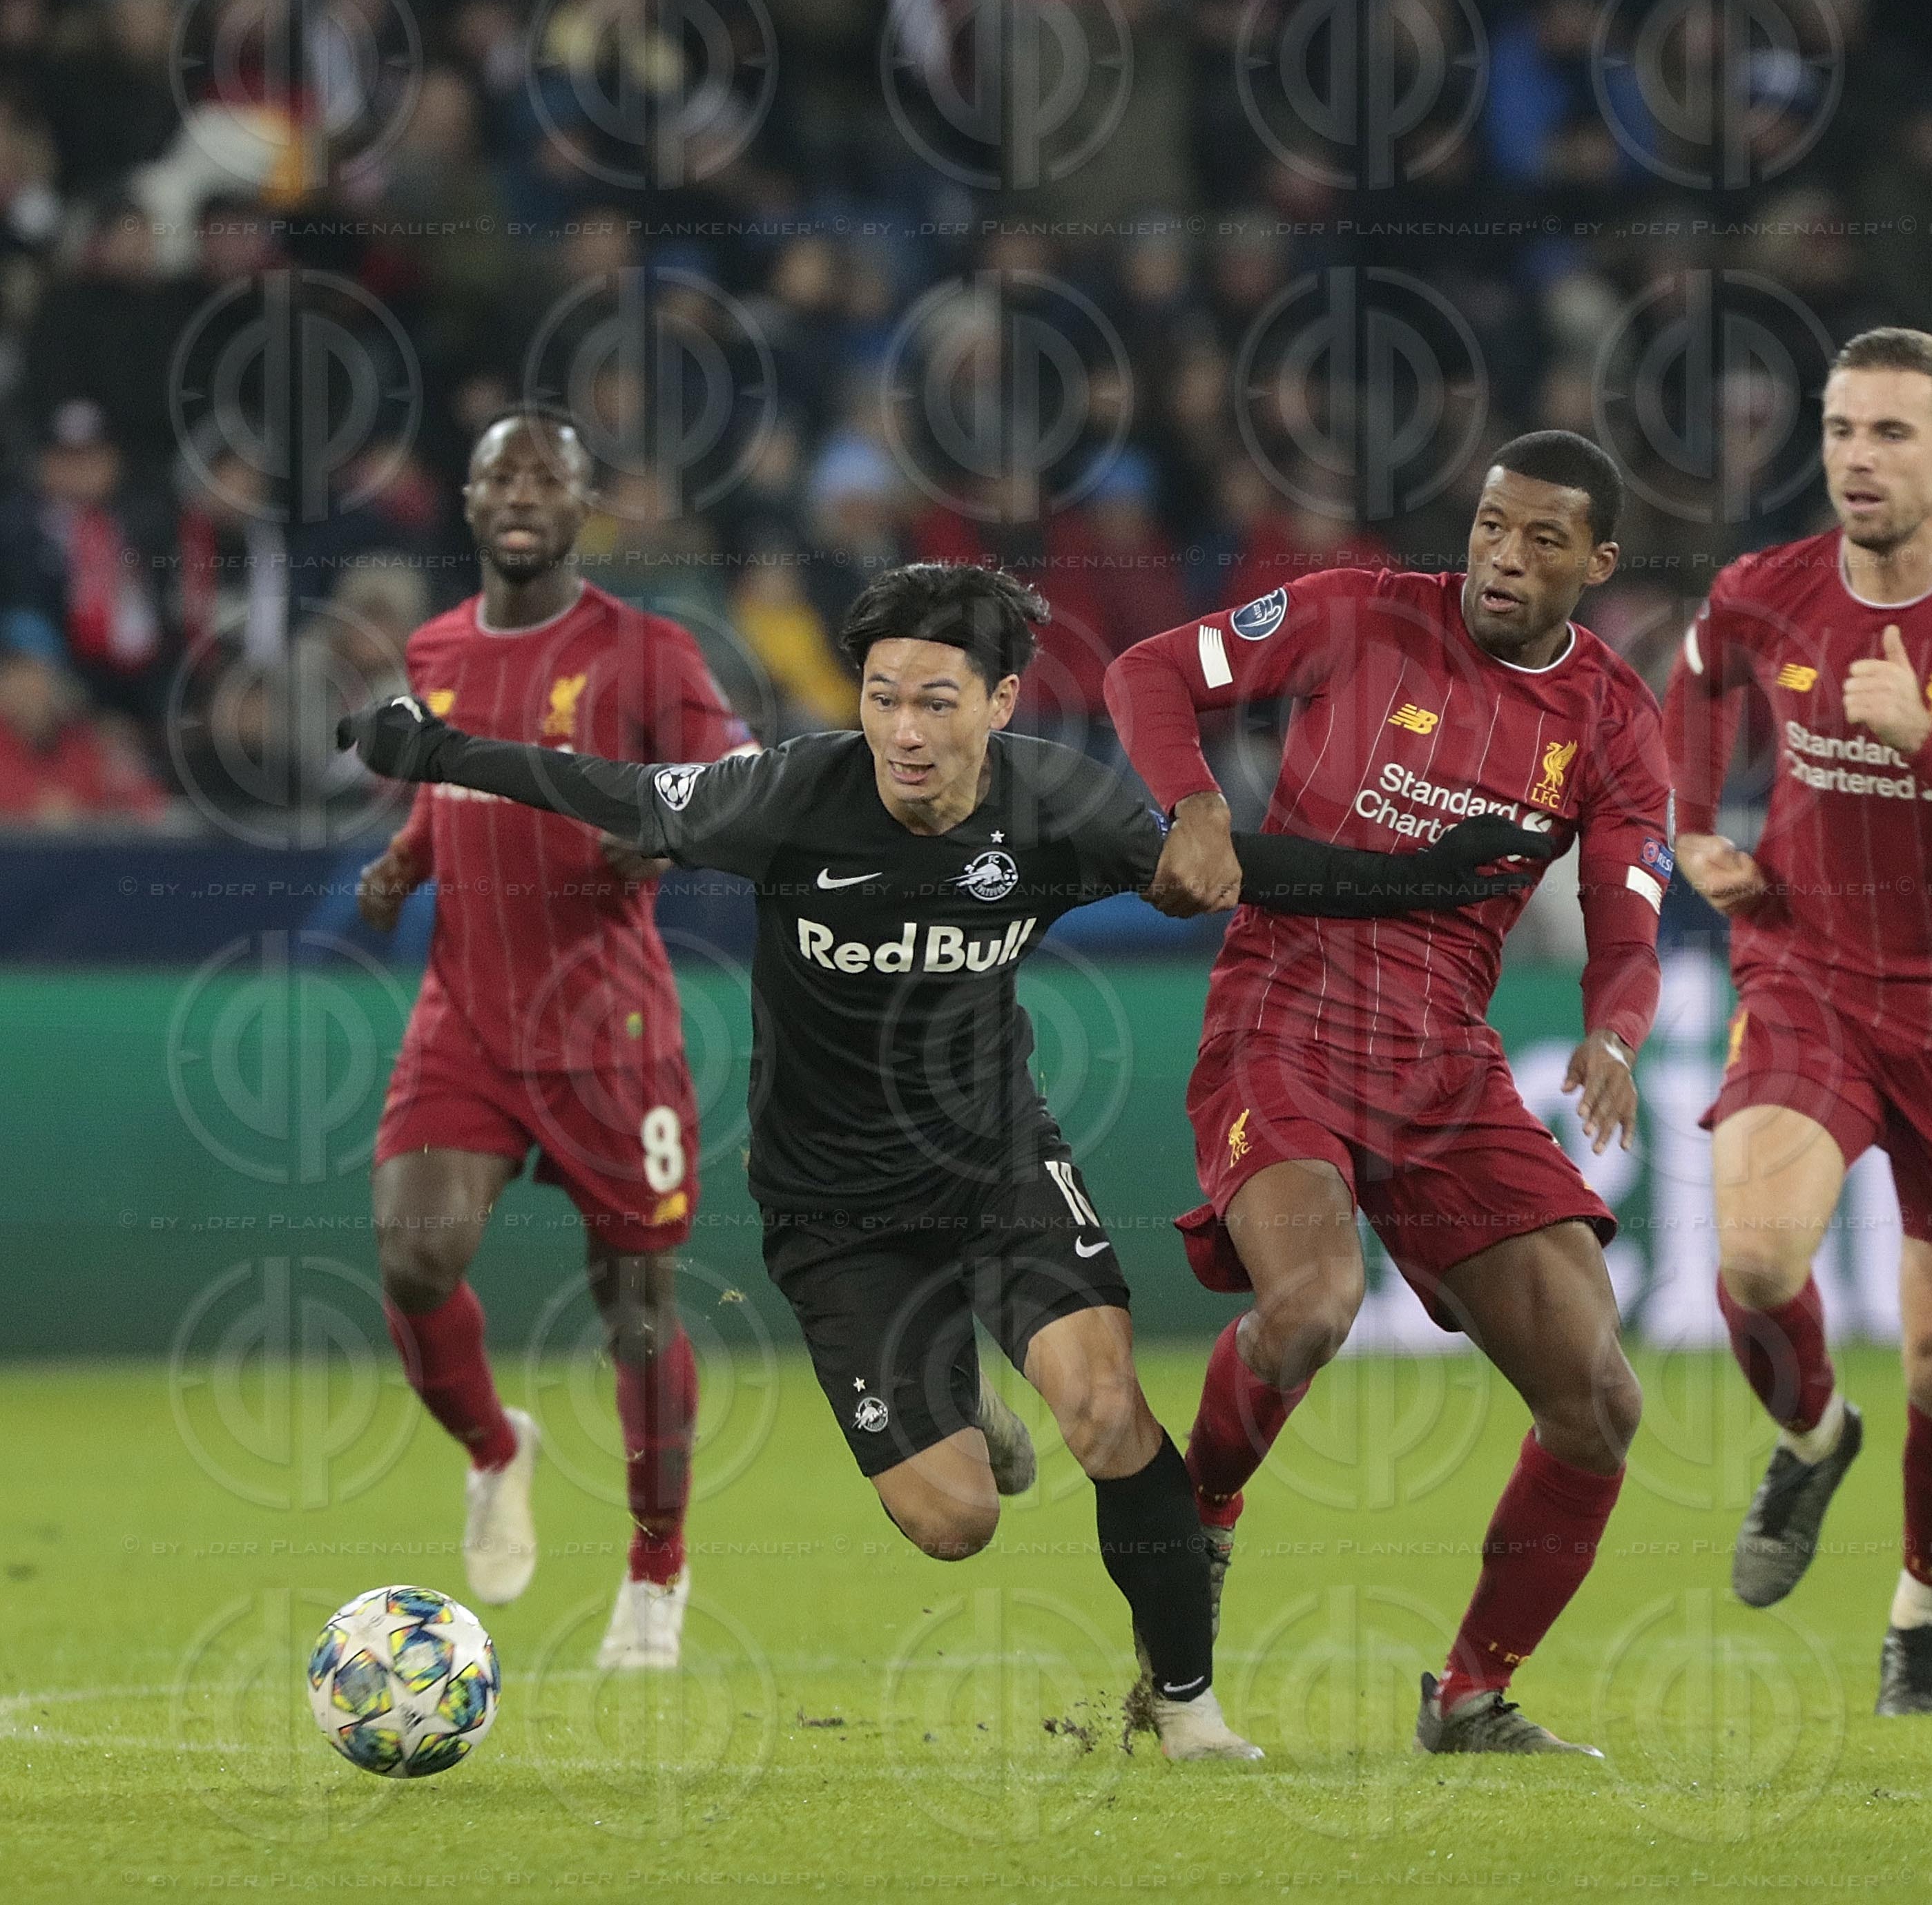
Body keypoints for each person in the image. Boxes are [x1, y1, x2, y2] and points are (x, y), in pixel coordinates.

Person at [338, 559, 1535, 1761]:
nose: (903, 732)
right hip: (833, 1212)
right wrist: (432, 752)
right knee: (956, 1521)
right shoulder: (786, 794)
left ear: (1001, 702)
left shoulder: (1059, 804)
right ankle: (959, 1397)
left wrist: (1424, 876)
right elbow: (606, 785)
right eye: (882, 698)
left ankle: (1185, 1707)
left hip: (994, 1164)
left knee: (1105, 1410)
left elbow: (1241, 869)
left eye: (936, 702)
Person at [1102, 429, 1672, 1754]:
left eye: (1541, 541)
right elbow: (1146, 672)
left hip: (1443, 1060)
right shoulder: (1358, 611)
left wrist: (1616, 1034)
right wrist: (1195, 807)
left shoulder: (1614, 720)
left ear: (1598, 564)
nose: (1502, 559)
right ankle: (1204, 1527)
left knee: (1600, 1403)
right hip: (1283, 1019)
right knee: (1311, 1308)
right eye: (1490, 527)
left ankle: (1471, 1698)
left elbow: (1629, 923)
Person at [1661, 327, 1932, 1715]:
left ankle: (1924, 1615)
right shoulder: (1771, 589)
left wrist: (1929, 741)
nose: (1857, 458)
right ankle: (1812, 1435)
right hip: (1813, 974)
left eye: (1891, 434)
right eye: (1842, 429)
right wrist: (1691, 825)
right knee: (1754, 1258)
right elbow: (1698, 671)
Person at [357, 407, 758, 1670]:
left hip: (609, 1029)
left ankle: (656, 1567)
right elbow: (451, 781)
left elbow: (737, 778)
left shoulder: (648, 652)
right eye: (501, 474)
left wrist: (669, 833)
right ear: (470, 502)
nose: (523, 492)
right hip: (467, 1014)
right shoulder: (434, 645)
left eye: (549, 475)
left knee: (634, 1303)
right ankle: (496, 1448)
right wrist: (408, 856)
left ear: (586, 506)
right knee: (416, 1259)